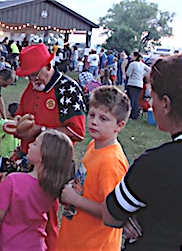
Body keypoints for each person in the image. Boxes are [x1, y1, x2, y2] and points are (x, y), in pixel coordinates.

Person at [103, 53, 182, 250]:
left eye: (151, 96)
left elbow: (110, 214)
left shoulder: (156, 163)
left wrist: (132, 216)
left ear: (166, 103)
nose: (151, 103)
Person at [5, 43, 86, 250]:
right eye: (28, 77)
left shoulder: (67, 89)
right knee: (25, 215)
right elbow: (20, 115)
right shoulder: (31, 88)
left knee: (46, 218)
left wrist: (39, 131)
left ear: (49, 64)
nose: (33, 80)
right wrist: (13, 126)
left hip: (50, 166)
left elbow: (77, 132)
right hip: (27, 161)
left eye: (36, 74)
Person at [56, 85, 131, 250]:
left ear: (119, 125)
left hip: (94, 244)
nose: (94, 122)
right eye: (91, 115)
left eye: (103, 119)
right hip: (76, 238)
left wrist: (74, 199)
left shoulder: (111, 161)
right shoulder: (93, 146)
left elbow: (111, 212)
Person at [0, 129, 74, 250]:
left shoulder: (13, 181)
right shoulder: (53, 187)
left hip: (10, 245)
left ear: (43, 156)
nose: (30, 145)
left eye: (35, 143)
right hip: (37, 245)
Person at [0, 102, 21, 190]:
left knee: (0, 170)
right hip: (15, 153)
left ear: (9, 113)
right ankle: (12, 186)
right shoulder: (20, 125)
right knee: (13, 170)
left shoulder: (6, 125)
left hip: (5, 153)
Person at [126, 51, 151, 119]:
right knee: (136, 99)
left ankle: (132, 114)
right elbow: (149, 69)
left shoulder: (133, 64)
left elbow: (128, 73)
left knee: (131, 99)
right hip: (140, 84)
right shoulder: (142, 64)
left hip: (132, 83)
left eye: (132, 55)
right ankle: (135, 114)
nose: (131, 57)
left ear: (135, 56)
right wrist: (143, 74)